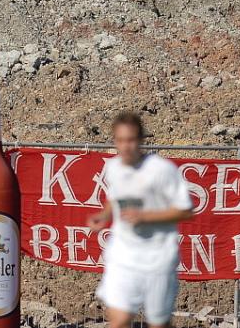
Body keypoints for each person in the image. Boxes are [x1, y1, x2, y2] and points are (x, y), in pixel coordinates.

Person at [88, 112, 194, 328]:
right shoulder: (113, 167)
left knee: (158, 324)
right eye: (120, 140)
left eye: (131, 140)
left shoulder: (161, 170)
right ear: (114, 141)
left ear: (141, 140)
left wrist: (145, 216)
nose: (126, 146)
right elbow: (115, 196)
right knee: (118, 322)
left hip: (157, 258)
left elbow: (185, 210)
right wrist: (104, 215)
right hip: (123, 257)